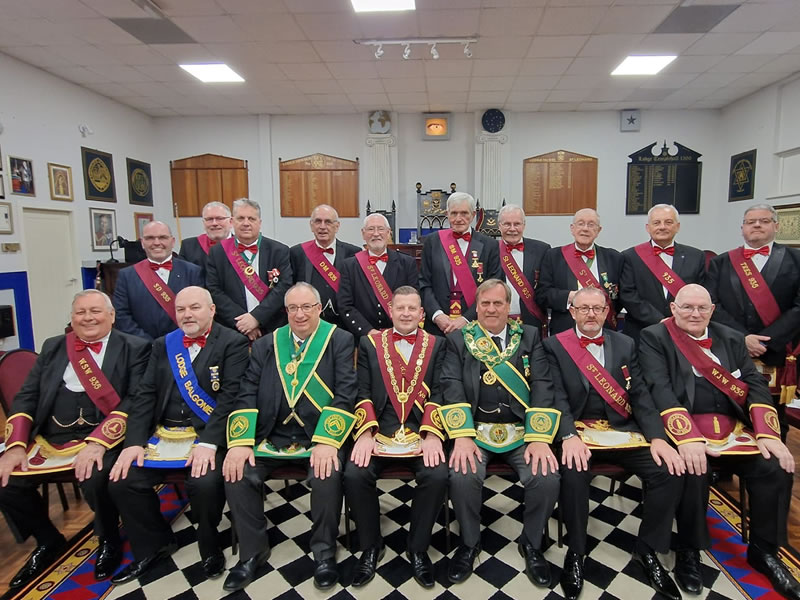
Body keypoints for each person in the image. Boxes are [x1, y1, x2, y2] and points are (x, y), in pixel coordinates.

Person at [639, 284, 798, 599]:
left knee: (776, 467)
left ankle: (764, 551)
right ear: (673, 309)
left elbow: (753, 383)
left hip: (732, 429)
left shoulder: (731, 337)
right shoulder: (654, 337)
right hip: (684, 427)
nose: (695, 314)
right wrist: (686, 437)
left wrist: (769, 434)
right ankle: (689, 550)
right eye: (687, 307)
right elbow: (659, 387)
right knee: (692, 469)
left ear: (712, 310)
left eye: (702, 307)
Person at [542, 287, 684, 600]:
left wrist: (658, 438)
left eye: (597, 308)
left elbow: (640, 394)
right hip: (579, 433)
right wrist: (568, 436)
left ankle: (648, 550)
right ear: (572, 312)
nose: (591, 314)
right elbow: (556, 397)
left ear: (608, 312)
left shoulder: (626, 343)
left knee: (668, 471)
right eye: (584, 308)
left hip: (623, 431)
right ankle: (576, 552)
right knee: (573, 473)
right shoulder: (554, 345)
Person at [0, 290, 149, 589]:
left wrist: (98, 443)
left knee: (95, 476)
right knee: (6, 479)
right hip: (52, 437)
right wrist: (15, 446)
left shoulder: (135, 347)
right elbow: (27, 396)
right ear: (72, 317)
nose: (88, 318)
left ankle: (108, 538)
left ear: (111, 316)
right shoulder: (53, 346)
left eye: (95, 311)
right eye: (80, 312)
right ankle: (47, 539)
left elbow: (135, 400)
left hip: (104, 436)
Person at [107, 287, 249, 584]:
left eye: (194, 307)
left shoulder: (233, 342)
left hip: (207, 433)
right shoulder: (163, 344)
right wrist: (134, 443)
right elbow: (145, 395)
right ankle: (154, 544)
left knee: (205, 482)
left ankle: (209, 543)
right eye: (181, 309)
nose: (187, 315)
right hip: (165, 433)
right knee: (123, 479)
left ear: (212, 310)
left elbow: (231, 398)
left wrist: (209, 443)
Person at [221, 283, 357, 592]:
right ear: (286, 311)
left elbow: (345, 394)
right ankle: (252, 552)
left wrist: (327, 441)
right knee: (237, 471)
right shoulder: (267, 343)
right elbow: (247, 391)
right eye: (293, 308)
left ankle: (324, 552)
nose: (300, 314)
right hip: (272, 433)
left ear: (319, 309)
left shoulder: (339, 340)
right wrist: (240, 443)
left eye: (307, 307)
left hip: (317, 435)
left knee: (327, 473)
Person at [440, 279, 560, 587]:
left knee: (546, 476)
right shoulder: (459, 339)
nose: (491, 309)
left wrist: (539, 438)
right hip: (476, 431)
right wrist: (462, 435)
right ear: (477, 307)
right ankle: (469, 543)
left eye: (498, 303)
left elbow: (543, 384)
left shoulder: (529, 335)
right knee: (462, 476)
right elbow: (451, 385)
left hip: (521, 431)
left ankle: (532, 543)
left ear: (509, 307)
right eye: (485, 303)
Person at [344, 286, 447, 589]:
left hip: (420, 432)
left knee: (437, 474)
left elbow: (441, 392)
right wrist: (365, 432)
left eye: (412, 308)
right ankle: (371, 546)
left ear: (422, 313)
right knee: (354, 473)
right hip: (379, 430)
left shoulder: (438, 344)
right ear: (390, 312)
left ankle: (418, 548)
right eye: (400, 308)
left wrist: (432, 434)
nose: (405, 314)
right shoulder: (369, 343)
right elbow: (361, 391)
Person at [706, 203, 800, 437]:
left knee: (773, 417)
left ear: (776, 226)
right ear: (742, 228)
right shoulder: (722, 262)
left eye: (764, 221)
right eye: (751, 222)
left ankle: (774, 460)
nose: (757, 225)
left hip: (776, 351)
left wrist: (767, 341)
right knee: (729, 415)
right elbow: (712, 305)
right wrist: (743, 338)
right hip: (731, 350)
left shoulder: (796, 259)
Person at [206, 198, 292, 341]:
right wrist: (243, 323)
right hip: (231, 330)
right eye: (241, 218)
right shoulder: (217, 252)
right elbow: (214, 290)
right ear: (232, 222)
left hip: (271, 328)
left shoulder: (279, 250)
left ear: (260, 222)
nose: (246, 223)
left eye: (251, 218)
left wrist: (256, 318)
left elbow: (284, 287)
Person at [620, 204, 706, 341]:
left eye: (668, 222)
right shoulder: (630, 256)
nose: (662, 227)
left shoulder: (696, 256)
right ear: (648, 228)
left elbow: (701, 295)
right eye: (656, 223)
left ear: (677, 226)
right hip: (642, 332)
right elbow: (628, 295)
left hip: (685, 332)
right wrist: (659, 320)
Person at [420, 192, 501, 336]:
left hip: (476, 326)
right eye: (454, 213)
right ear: (447, 214)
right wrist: (437, 315)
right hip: (437, 327)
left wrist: (467, 318)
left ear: (473, 214)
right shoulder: (432, 242)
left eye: (464, 213)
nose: (458, 219)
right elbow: (424, 283)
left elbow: (493, 288)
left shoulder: (490, 245)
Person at [113, 221, 203, 341]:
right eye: (150, 238)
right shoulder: (126, 275)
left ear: (172, 241)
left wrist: (178, 340)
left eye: (162, 237)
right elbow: (121, 315)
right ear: (142, 243)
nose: (156, 243)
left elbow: (200, 310)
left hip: (184, 343)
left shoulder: (193, 272)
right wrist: (146, 343)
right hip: (141, 346)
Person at [537, 208, 622, 335]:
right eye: (581, 224)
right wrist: (570, 297)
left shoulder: (614, 258)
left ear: (598, 230)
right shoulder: (553, 256)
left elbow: (620, 297)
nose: (585, 229)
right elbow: (542, 295)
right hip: (564, 330)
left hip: (604, 330)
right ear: (572, 228)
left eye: (591, 224)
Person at [338, 214, 418, 339]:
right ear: (363, 234)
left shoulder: (407, 263)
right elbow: (345, 305)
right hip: (364, 338)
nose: (376, 234)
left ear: (388, 233)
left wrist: (399, 330)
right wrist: (368, 331)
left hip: (399, 336)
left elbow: (414, 301)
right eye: (371, 229)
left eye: (380, 229)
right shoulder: (349, 266)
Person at [289, 204, 360, 328]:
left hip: (345, 325)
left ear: (337, 226)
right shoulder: (297, 253)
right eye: (318, 221)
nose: (322, 227)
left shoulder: (353, 253)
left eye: (328, 222)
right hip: (309, 323)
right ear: (311, 225)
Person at [496, 204, 550, 333]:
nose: (512, 229)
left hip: (533, 322)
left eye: (517, 224)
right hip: (498, 321)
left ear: (524, 225)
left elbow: (546, 286)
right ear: (499, 226)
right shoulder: (491, 249)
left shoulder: (542, 250)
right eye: (507, 224)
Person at [178, 201, 233, 276]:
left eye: (219, 218)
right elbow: (182, 276)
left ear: (231, 222)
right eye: (209, 219)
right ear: (203, 223)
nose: (214, 223)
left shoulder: (242, 245)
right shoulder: (188, 246)